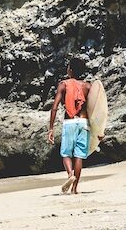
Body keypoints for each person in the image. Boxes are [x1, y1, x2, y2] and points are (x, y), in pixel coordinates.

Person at [47, 58, 91, 194]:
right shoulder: (88, 87)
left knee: (66, 154)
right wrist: (98, 129)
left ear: (70, 70)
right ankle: (75, 189)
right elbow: (94, 109)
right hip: (84, 123)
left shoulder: (63, 84)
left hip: (70, 122)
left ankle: (70, 175)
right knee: (79, 156)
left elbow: (54, 108)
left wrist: (51, 128)